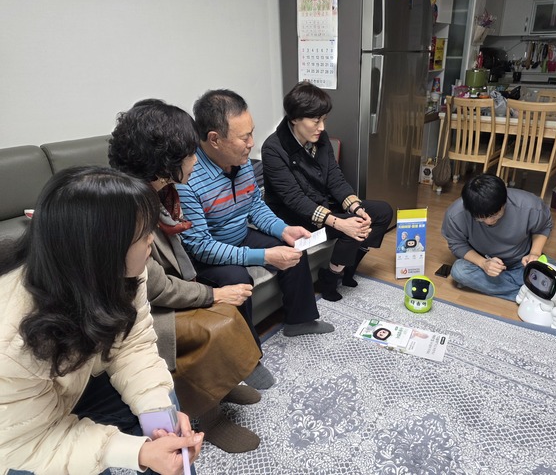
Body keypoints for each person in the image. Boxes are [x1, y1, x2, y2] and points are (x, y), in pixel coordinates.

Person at [0, 166, 203, 474]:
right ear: (102, 250)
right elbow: (26, 444)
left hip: (74, 381)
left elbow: (133, 343)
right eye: (142, 235)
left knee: (165, 417)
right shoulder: (12, 338)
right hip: (18, 434)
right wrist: (136, 453)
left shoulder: (122, 273)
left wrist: (159, 417)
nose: (151, 240)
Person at [108, 99, 263, 453]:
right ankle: (210, 415)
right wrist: (212, 294)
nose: (196, 161)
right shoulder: (126, 208)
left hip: (162, 291)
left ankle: (223, 385)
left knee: (227, 304)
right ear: (166, 162)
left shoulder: (157, 194)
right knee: (213, 325)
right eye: (191, 154)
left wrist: (207, 291)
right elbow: (154, 287)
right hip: (133, 311)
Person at [177, 89, 335, 369]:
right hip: (207, 253)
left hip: (239, 235)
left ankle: (299, 320)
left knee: (292, 249)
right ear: (214, 139)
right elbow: (200, 247)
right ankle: (248, 361)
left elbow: (255, 207)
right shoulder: (188, 177)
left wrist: (283, 230)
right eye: (244, 137)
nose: (252, 143)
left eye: (252, 133)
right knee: (238, 279)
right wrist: (263, 256)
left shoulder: (242, 164)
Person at [261, 81, 393, 301]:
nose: (321, 127)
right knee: (351, 227)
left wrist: (356, 207)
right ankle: (330, 278)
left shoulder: (319, 139)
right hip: (296, 219)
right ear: (294, 118)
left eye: (324, 120)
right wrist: (339, 222)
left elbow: (335, 178)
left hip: (322, 205)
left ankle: (346, 268)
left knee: (382, 212)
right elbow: (295, 200)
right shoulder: (273, 149)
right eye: (316, 121)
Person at [441, 173, 555, 302]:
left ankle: (497, 286)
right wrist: (483, 263)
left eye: (495, 215)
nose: (489, 221)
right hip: (484, 263)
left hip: (522, 261)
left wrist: (535, 253)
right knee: (459, 271)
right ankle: (530, 296)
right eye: (480, 218)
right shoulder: (455, 214)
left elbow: (543, 226)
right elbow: (457, 244)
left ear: (504, 203)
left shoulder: (529, 205)